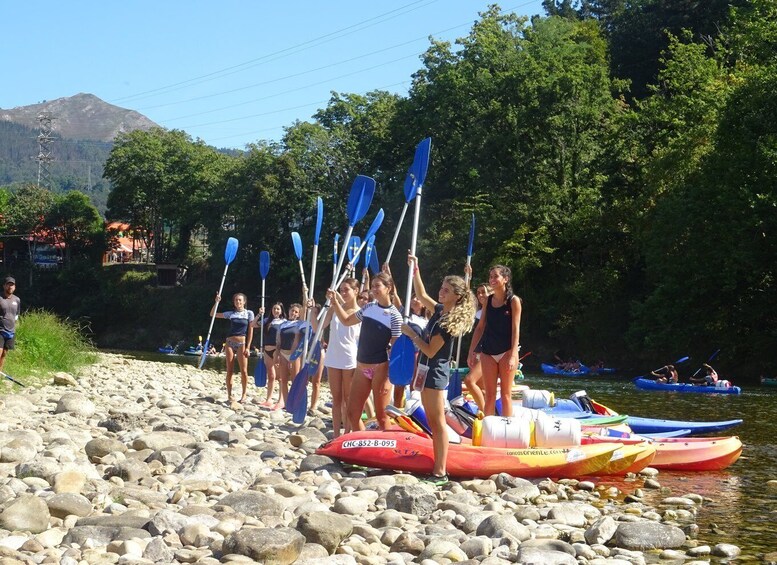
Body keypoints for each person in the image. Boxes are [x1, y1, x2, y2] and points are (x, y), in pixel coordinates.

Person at [401, 253, 475, 485]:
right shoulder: (440, 311)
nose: (441, 291)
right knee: (434, 420)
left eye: (445, 290)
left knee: (437, 422)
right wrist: (416, 270)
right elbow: (422, 295)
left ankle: (440, 472)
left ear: (456, 296)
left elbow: (431, 351)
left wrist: (412, 334)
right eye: (441, 287)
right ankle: (438, 466)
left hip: (435, 373)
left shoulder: (448, 321)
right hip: (426, 371)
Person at [328, 271, 402, 431]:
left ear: (388, 288)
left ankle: (386, 450)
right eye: (373, 285)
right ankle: (361, 443)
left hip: (380, 369)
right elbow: (347, 321)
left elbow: (396, 349)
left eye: (378, 286)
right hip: (362, 366)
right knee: (352, 414)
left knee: (382, 416)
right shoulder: (368, 308)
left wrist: (390, 376)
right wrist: (334, 303)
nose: (374, 289)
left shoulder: (395, 316)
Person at [467, 265, 522, 417]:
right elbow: (480, 327)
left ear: (505, 279)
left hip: (506, 351)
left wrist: (512, 354)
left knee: (505, 395)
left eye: (496, 276)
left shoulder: (513, 301)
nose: (492, 279)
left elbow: (515, 329)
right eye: (490, 277)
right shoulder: (488, 301)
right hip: (488, 352)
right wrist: (472, 351)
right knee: (490, 395)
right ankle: (488, 429)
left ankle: (508, 428)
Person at [321, 279, 361, 437]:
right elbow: (319, 327)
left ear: (356, 291)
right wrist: (310, 309)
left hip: (350, 357)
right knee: (336, 399)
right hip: (333, 356)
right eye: (342, 290)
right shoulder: (334, 309)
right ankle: (336, 435)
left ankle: (348, 434)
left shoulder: (360, 312)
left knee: (348, 399)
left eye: (347, 290)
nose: (344, 293)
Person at [210, 293, 254, 403]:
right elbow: (213, 314)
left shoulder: (249, 313)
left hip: (242, 344)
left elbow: (251, 330)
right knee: (229, 370)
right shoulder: (231, 314)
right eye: (236, 300)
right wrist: (216, 302)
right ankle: (229, 395)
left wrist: (248, 347)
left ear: (244, 301)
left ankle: (244, 395)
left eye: (240, 300)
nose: (238, 302)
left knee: (244, 371)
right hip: (230, 342)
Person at [461, 276, 491, 411]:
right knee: (480, 385)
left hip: (489, 351)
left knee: (469, 381)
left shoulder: (494, 311)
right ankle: (485, 411)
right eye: (478, 292)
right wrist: (471, 353)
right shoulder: (478, 313)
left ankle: (486, 413)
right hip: (478, 350)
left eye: (483, 292)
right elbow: (465, 300)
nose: (480, 295)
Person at [275, 301, 306, 411]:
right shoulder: (282, 324)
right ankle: (287, 403)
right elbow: (278, 341)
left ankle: (295, 403)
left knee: (295, 380)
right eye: (292, 310)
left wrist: (305, 293)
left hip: (295, 355)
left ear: (298, 314)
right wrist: (276, 355)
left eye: (296, 312)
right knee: (283, 380)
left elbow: (306, 308)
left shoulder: (300, 323)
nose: (293, 313)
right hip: (283, 352)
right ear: (288, 311)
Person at [255, 302, 286, 407]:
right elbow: (253, 324)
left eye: (278, 309)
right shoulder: (267, 321)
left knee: (280, 376)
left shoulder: (284, 322)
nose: (276, 311)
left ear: (281, 310)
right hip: (267, 350)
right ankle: (269, 399)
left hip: (278, 350)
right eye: (274, 309)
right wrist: (259, 314)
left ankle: (281, 400)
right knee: (271, 376)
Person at [0, 276, 21, 373]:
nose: (10, 287)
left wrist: (16, 323)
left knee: (4, 354)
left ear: (15, 287)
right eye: (8, 284)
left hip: (11, 331)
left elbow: (17, 314)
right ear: (4, 286)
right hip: (0, 330)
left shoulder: (17, 300)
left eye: (12, 285)